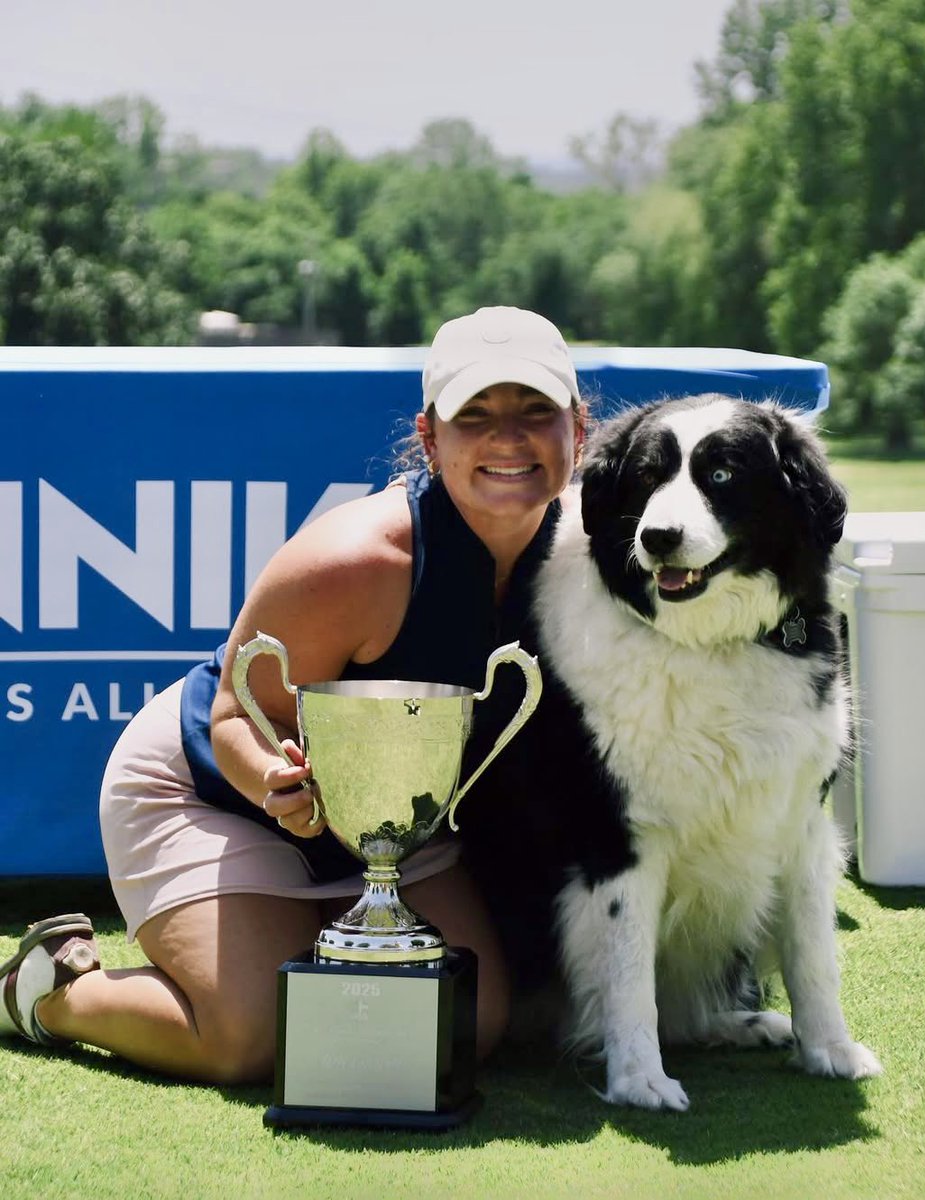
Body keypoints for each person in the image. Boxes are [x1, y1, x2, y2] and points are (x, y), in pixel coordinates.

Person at [0, 306, 586, 1084]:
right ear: (428, 438)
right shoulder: (356, 560)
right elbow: (236, 712)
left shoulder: (599, 557)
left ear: (578, 428)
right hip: (213, 790)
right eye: (473, 414)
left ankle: (294, 933)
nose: (506, 437)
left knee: (462, 1025)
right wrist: (274, 785)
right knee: (248, 1038)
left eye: (534, 411)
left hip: (391, 824)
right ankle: (51, 991)